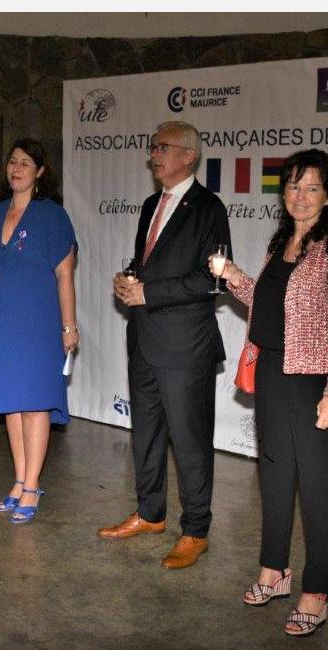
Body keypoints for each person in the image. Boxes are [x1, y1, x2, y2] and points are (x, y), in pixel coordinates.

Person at [212, 148, 328, 637]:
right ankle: (274, 570)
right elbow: (266, 301)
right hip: (273, 373)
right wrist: (234, 276)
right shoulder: (282, 241)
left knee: (319, 489)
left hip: (315, 380)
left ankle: (317, 591)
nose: (300, 196)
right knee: (274, 478)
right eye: (294, 186)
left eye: (311, 187)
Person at [100, 120, 231, 569]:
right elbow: (149, 266)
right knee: (147, 435)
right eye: (152, 147)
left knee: (191, 443)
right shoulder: (149, 205)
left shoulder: (209, 207)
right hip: (143, 340)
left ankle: (196, 530)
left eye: (162, 147)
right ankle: (150, 513)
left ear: (188, 155)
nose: (153, 155)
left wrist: (149, 293)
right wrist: (129, 281)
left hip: (185, 347)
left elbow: (213, 279)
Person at [0, 138, 78, 525]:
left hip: (38, 322)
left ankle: (32, 486)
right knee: (11, 405)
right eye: (12, 162)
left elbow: (65, 276)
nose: (15, 169)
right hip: (1, 319)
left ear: (41, 172)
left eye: (25, 163)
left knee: (34, 404)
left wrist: (69, 326)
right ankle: (18, 480)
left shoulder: (53, 216)